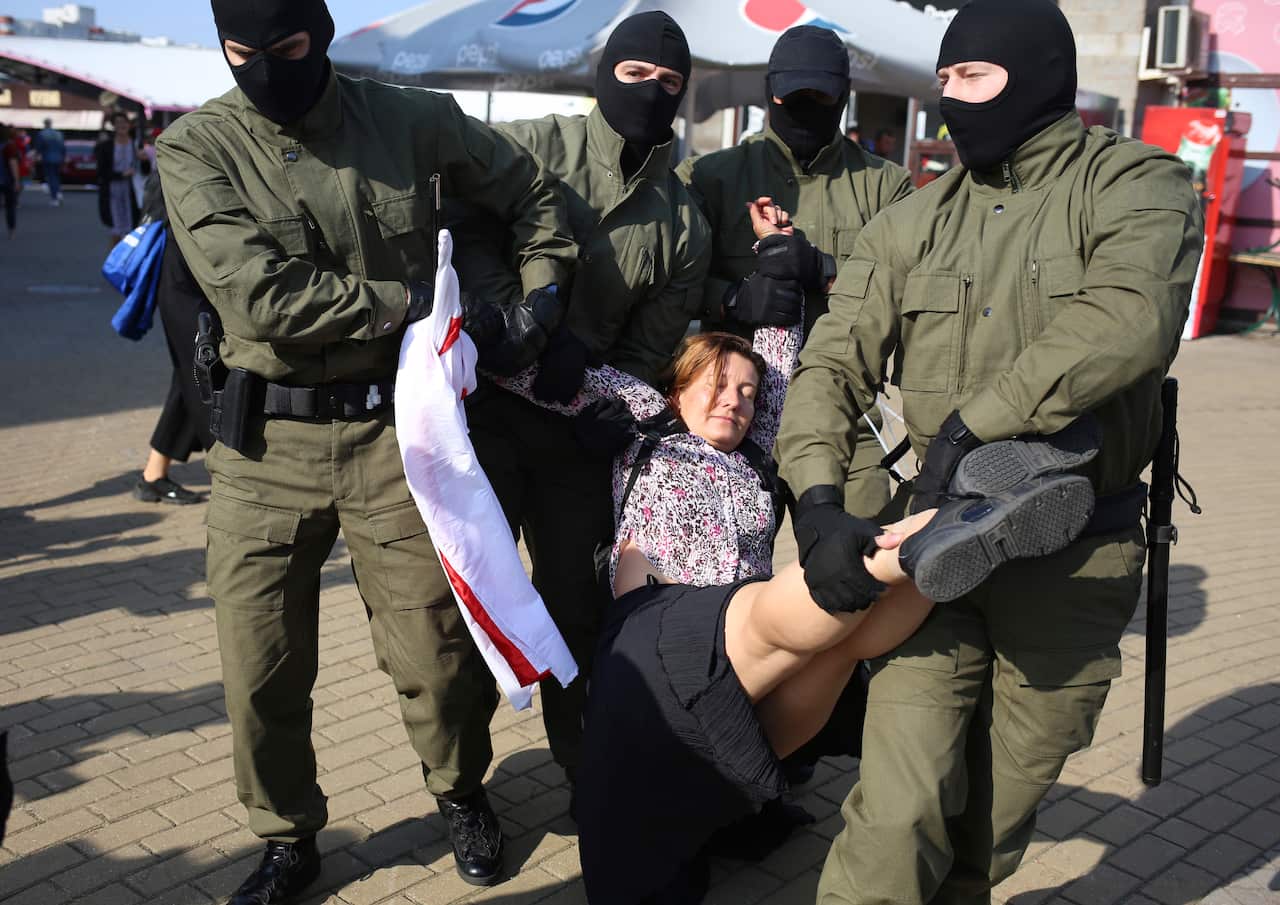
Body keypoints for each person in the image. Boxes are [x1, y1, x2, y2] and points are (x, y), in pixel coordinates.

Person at [486, 200, 1097, 904]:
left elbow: (778, 357)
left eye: (746, 393)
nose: (736, 399)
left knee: (843, 644)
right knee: (792, 611)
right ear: (678, 387)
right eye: (717, 382)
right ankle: (951, 519)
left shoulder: (756, 447)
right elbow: (530, 370)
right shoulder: (645, 420)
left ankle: (969, 528)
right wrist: (495, 331)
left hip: (750, 669)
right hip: (655, 640)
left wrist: (780, 252)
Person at [774, 1, 1205, 901]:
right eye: (943, 84)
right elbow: (831, 362)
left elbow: (1129, 320)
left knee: (993, 824)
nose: (951, 104)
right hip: (932, 547)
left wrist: (978, 425)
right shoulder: (911, 220)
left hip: (1074, 556)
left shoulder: (1139, 185)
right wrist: (816, 502)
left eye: (971, 78)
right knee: (898, 809)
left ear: (1039, 74)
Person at [156, 0, 577, 900]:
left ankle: (461, 791)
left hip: (397, 434)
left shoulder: (410, 117)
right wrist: (423, 300)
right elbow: (259, 297)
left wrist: (540, 294)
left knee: (434, 648)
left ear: (324, 31)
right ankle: (285, 837)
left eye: (290, 47)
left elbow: (531, 191)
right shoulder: (195, 148)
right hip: (265, 444)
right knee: (259, 661)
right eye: (242, 53)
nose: (266, 66)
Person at [451, 10, 710, 794]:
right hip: (488, 412)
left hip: (576, 433)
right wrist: (522, 318)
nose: (650, 93)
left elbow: (651, 344)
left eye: (670, 84)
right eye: (634, 75)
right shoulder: (533, 145)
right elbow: (465, 228)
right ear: (604, 73)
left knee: (577, 608)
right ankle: (460, 787)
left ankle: (583, 769)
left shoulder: (683, 219)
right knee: (466, 612)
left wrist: (605, 398)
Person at [676, 23, 913, 525]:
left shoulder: (887, 187)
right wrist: (732, 301)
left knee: (859, 568)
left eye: (819, 98)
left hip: (845, 419)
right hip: (729, 416)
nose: (805, 109)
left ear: (843, 97)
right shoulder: (708, 177)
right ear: (769, 93)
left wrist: (825, 271)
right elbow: (671, 278)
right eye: (792, 97)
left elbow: (909, 284)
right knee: (718, 580)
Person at [131, 172, 215, 506]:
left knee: (192, 378)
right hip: (187, 286)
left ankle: (153, 475)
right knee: (204, 378)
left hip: (189, 282)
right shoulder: (188, 154)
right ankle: (232, 478)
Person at [96, 112, 139, 243]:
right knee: (116, 227)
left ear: (129, 125)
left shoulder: (137, 144)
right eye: (118, 123)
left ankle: (131, 260)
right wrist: (121, 174)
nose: (122, 125)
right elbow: (101, 171)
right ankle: (115, 260)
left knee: (133, 226)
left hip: (134, 189)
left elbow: (147, 168)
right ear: (113, 126)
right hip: (113, 190)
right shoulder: (105, 146)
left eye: (124, 122)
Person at [34, 117, 65, 205]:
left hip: (48, 158)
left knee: (51, 177)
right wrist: (63, 158)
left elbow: (39, 147)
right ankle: (58, 193)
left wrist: (36, 156)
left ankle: (54, 197)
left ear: (44, 124)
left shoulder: (42, 134)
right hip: (58, 158)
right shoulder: (58, 134)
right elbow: (63, 148)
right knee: (56, 176)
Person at [0, 124, 19, 239]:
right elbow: (13, 163)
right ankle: (11, 231)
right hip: (6, 180)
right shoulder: (9, 146)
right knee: (10, 206)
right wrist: (16, 180)